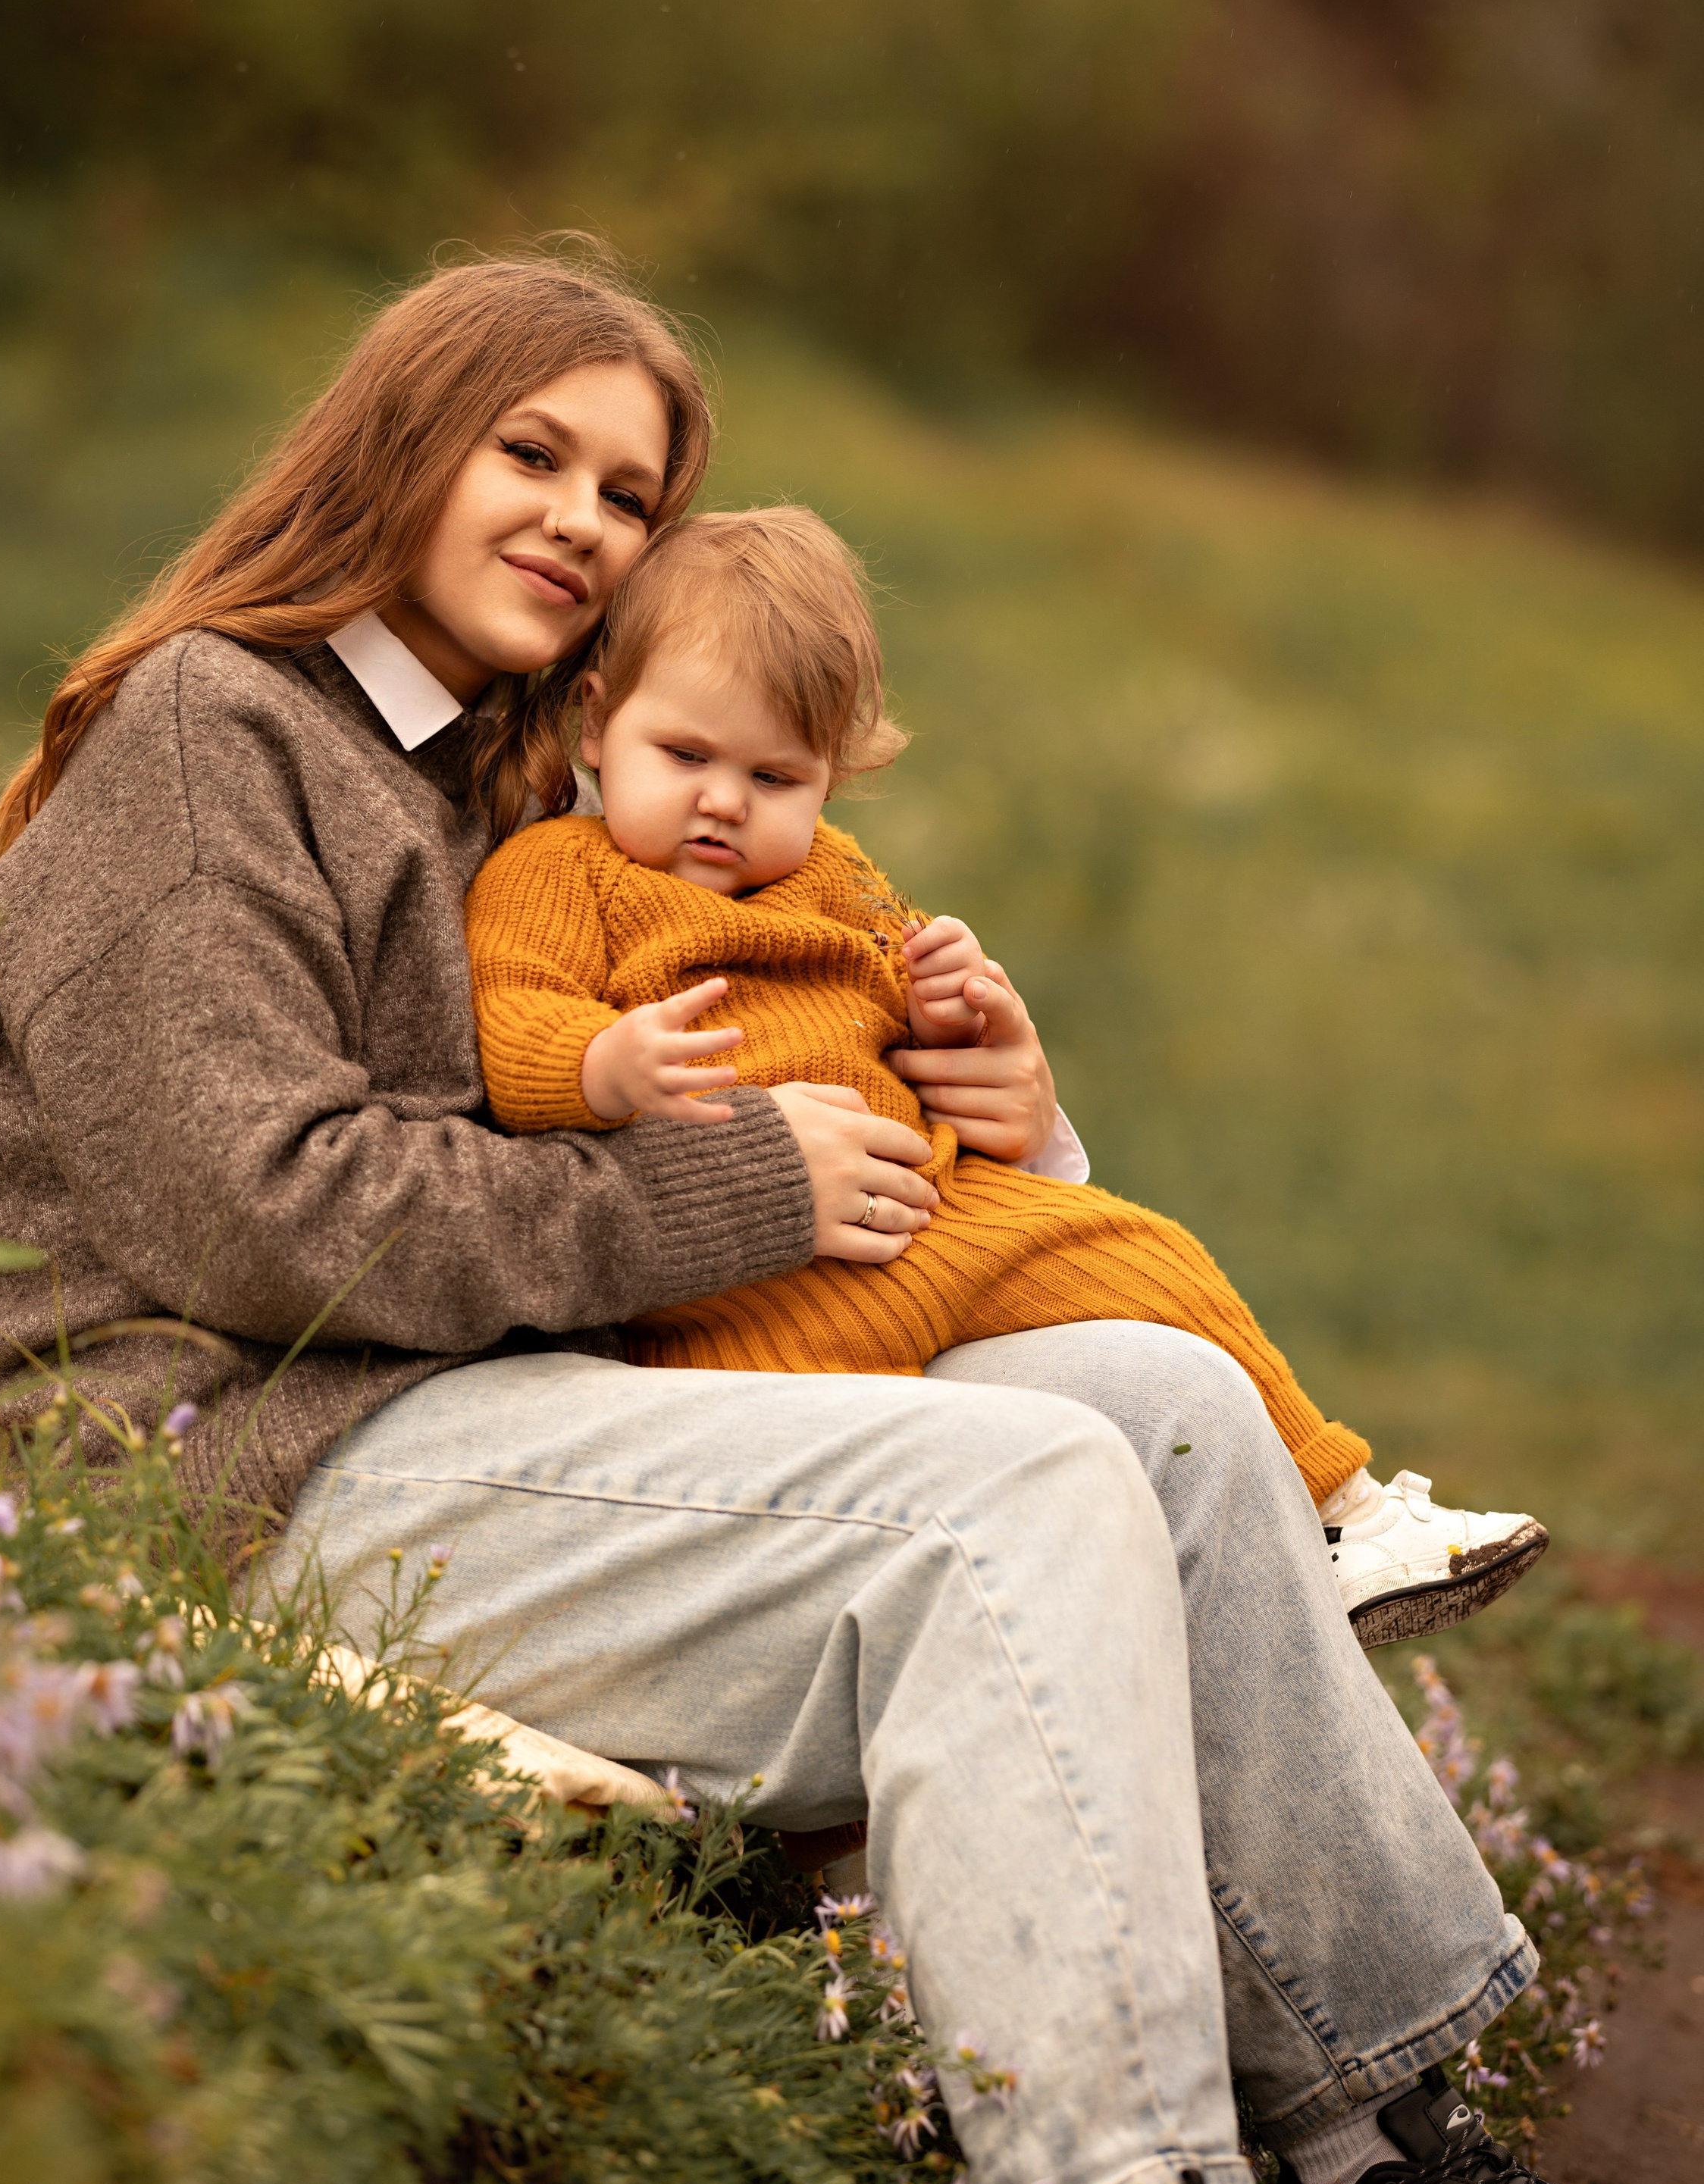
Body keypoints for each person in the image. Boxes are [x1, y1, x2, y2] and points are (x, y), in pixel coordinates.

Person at [0, 248, 1701, 2184]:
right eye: (537, 452)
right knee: (1024, 1490)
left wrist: (1008, 1118)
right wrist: (735, 1190)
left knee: (1172, 1407)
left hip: (532, 1415)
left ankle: (1375, 2147)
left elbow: (726, 1114)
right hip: (255, 1463)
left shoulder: (538, 778)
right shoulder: (208, 729)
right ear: (401, 437)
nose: (584, 522)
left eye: (630, 491)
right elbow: (259, 1208)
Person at [464, 505, 1548, 1651]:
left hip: (919, 1210)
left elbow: (906, 999)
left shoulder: (833, 876)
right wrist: (607, 1063)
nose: (725, 801)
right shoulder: (559, 870)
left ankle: (1344, 1518)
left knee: (1143, 1253)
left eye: (774, 775)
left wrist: (950, 1002)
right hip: (740, 1260)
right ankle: (1329, 1517)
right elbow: (514, 1021)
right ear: (597, 724)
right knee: (1033, 1390)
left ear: (829, 774)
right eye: (684, 757)